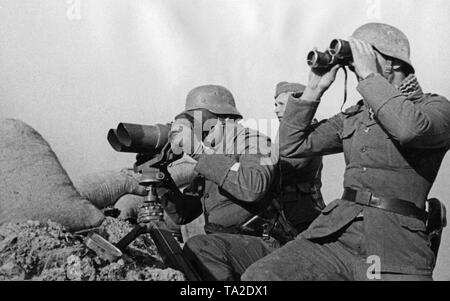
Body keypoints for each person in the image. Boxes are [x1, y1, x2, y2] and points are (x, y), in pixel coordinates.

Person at [242, 23, 450, 281]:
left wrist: (370, 77)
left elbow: (408, 130)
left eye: (365, 55)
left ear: (393, 64)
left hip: (395, 245)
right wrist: (314, 89)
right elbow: (292, 146)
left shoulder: (435, 108)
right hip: (337, 235)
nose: (356, 67)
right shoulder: (356, 115)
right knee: (262, 276)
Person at [179, 83, 326, 281]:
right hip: (234, 242)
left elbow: (254, 187)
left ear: (224, 119)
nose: (199, 130)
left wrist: (200, 154)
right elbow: (181, 215)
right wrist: (160, 175)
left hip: (273, 241)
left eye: (201, 121)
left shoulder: (254, 142)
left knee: (201, 248)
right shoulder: (216, 153)